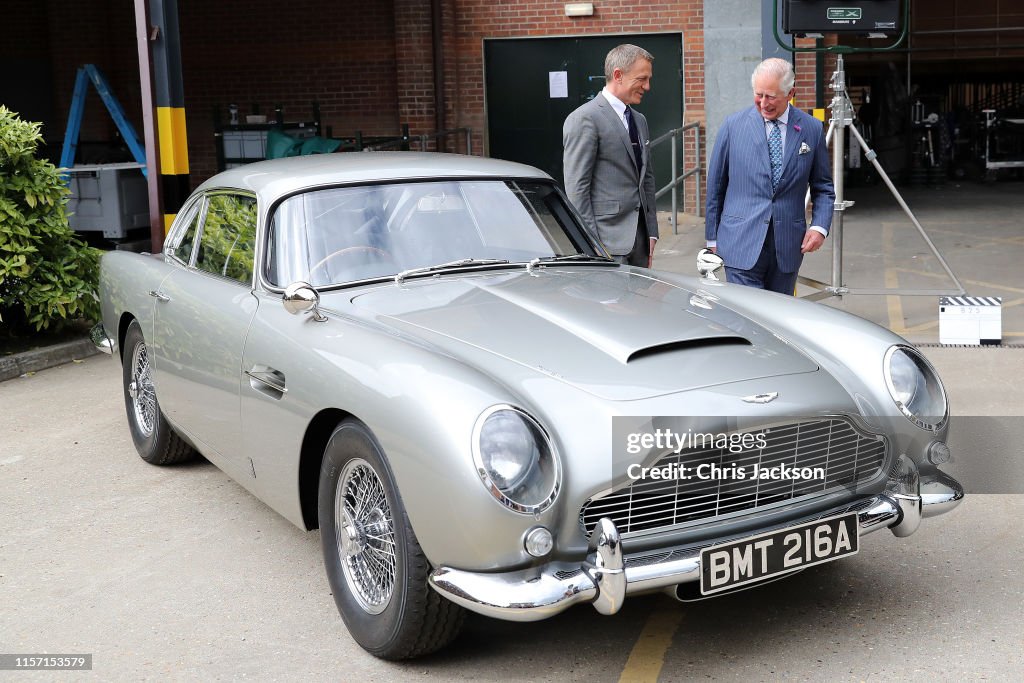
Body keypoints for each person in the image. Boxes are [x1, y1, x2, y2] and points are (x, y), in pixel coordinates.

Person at [705, 57, 835, 294]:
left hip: (787, 246)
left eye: (771, 96)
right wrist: (712, 240)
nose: (763, 103)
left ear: (790, 93)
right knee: (748, 316)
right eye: (759, 95)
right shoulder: (732, 127)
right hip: (739, 242)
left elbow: (823, 187)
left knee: (778, 317)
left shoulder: (811, 129)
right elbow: (715, 187)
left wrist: (819, 227)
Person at [563, 44, 658, 267]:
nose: (647, 86)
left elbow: (648, 179)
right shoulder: (585, 119)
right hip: (605, 244)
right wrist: (592, 244)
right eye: (642, 79)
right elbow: (577, 189)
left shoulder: (640, 120)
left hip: (640, 242)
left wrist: (651, 232)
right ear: (618, 75)